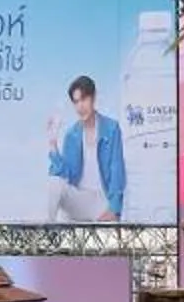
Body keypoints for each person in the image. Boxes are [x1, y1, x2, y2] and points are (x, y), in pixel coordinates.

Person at [45, 75, 125, 223]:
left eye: (84, 99)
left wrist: (115, 209)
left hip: (102, 201)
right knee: (54, 182)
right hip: (80, 199)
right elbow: (65, 175)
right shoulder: (71, 134)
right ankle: (47, 228)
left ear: (93, 98)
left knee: (109, 232)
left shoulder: (111, 128)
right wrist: (53, 143)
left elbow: (117, 170)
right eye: (76, 102)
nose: (80, 106)